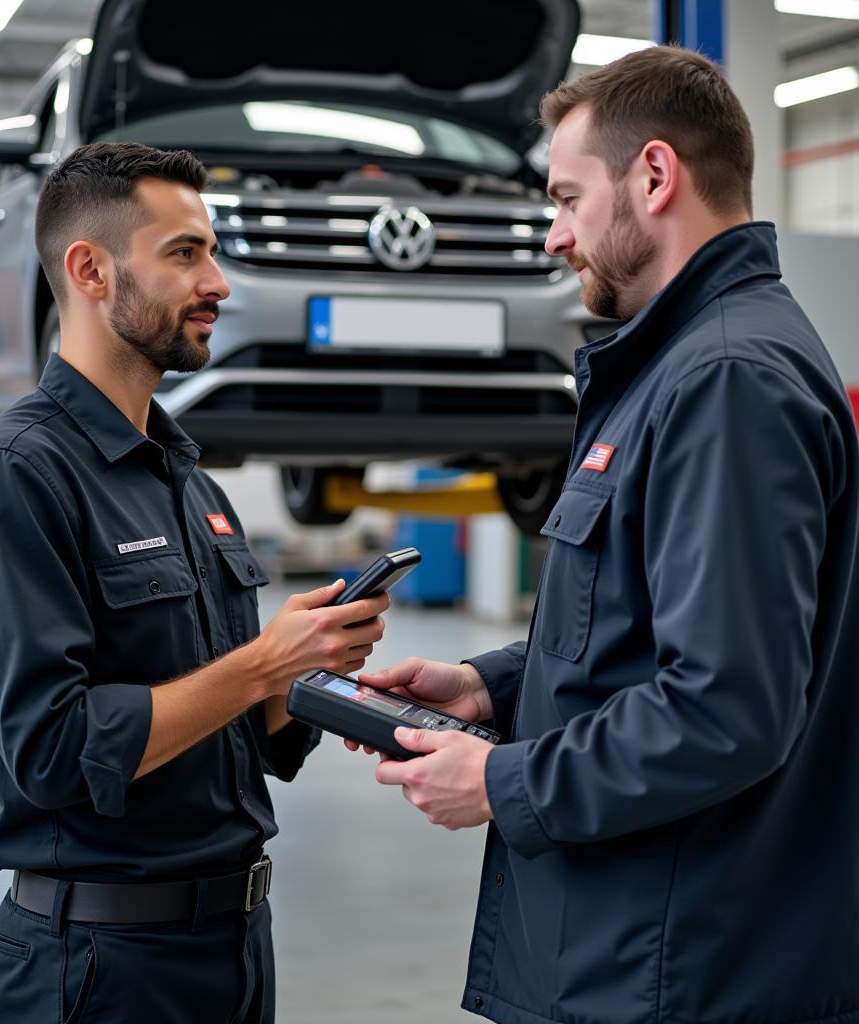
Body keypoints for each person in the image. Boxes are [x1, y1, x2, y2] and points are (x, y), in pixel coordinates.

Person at [351, 46, 859, 1024]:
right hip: (646, 955)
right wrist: (493, 686)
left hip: (682, 972)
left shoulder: (724, 379)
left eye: (566, 199)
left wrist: (503, 779)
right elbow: (648, 621)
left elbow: (724, 709)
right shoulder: (684, 367)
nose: (552, 237)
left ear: (655, 176)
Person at [0, 141, 389, 1024]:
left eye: (211, 251)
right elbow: (55, 751)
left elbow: (227, 733)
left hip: (233, 950)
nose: (217, 281)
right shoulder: (15, 477)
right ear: (90, 271)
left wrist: (298, 672)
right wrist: (259, 664)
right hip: (98, 969)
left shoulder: (188, 481)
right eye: (185, 254)